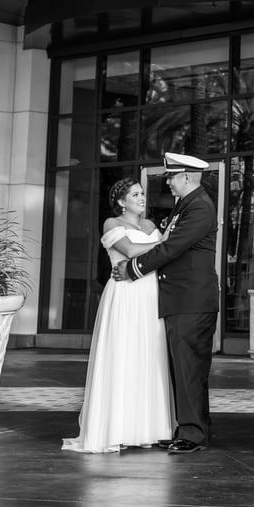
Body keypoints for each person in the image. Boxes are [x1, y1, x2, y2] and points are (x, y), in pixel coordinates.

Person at [112, 151, 219, 455]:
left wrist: (133, 269)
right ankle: (186, 429)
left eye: (171, 177)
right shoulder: (186, 205)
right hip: (181, 300)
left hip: (192, 301)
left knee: (189, 369)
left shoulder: (199, 207)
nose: (168, 182)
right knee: (181, 368)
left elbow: (172, 248)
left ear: (186, 177)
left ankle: (194, 434)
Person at [62, 178, 174, 453]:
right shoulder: (112, 223)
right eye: (134, 194)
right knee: (123, 355)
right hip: (125, 294)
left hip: (150, 295)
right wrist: (165, 243)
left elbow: (165, 255)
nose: (141, 197)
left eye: (142, 193)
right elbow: (132, 251)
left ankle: (148, 429)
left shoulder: (150, 226)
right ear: (122, 202)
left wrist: (165, 243)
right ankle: (116, 429)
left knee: (150, 356)